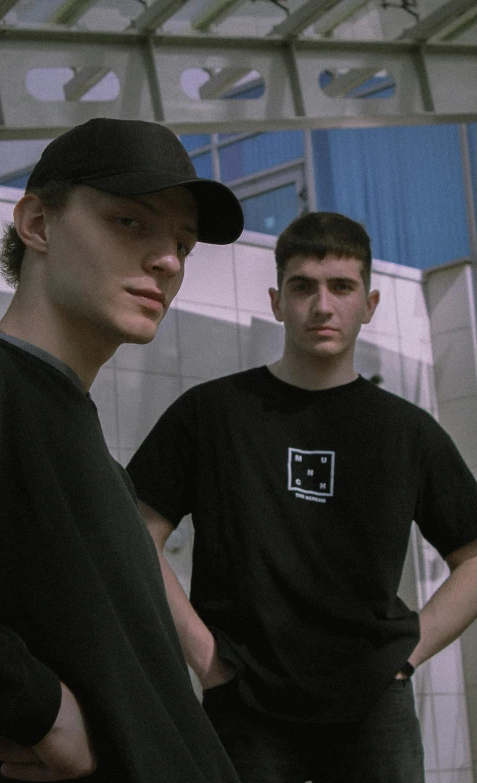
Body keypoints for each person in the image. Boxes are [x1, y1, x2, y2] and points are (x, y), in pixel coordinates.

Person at [128, 211, 477, 783]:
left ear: (370, 305)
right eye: (303, 287)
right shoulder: (212, 414)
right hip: (244, 699)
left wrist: (408, 654)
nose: (322, 306)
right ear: (276, 300)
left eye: (342, 287)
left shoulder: (406, 432)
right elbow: (137, 530)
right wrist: (205, 656)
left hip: (373, 703)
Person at [0, 117, 245, 782]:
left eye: (182, 242)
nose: (168, 260)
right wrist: (40, 703)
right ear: (37, 224)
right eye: (130, 222)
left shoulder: (101, 464)